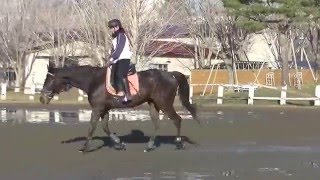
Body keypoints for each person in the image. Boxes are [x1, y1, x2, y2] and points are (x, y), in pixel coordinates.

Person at [106, 19, 133, 103]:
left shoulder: (121, 35)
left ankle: (126, 95)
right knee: (113, 75)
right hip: (118, 59)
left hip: (123, 58)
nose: (111, 30)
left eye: (112, 28)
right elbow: (114, 50)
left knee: (120, 74)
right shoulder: (116, 37)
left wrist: (111, 59)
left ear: (117, 27)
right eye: (110, 28)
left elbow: (119, 49)